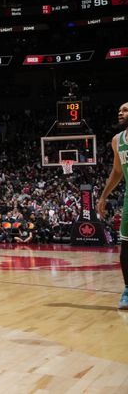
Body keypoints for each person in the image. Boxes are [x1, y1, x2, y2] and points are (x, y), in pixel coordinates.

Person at [96, 101, 128, 310]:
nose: (120, 112)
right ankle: (127, 289)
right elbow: (117, 172)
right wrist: (103, 197)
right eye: (119, 110)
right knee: (126, 247)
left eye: (125, 109)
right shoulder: (118, 140)